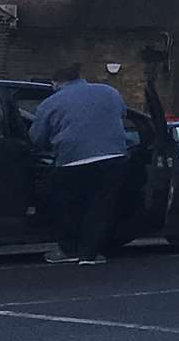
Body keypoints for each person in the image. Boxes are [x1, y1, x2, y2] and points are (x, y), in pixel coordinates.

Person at [28, 64, 131, 265]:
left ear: (55, 83)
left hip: (72, 161)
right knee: (100, 207)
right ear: (80, 77)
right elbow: (123, 116)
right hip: (112, 158)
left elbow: (36, 138)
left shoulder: (50, 103)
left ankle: (69, 249)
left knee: (69, 207)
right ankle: (90, 254)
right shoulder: (109, 92)